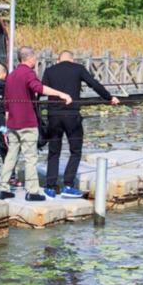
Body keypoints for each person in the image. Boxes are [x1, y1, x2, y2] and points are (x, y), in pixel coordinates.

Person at [40, 49, 119, 197]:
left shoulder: (50, 71)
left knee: (53, 151)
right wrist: (109, 97)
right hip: (72, 115)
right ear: (72, 59)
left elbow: (41, 90)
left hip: (54, 116)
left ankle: (50, 187)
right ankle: (68, 185)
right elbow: (94, 84)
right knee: (75, 151)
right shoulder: (78, 69)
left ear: (58, 59)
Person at [0, 47, 71, 202]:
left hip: (12, 123)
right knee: (31, 158)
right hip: (27, 123)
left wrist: (8, 121)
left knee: (11, 156)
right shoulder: (28, 73)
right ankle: (33, 191)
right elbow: (39, 88)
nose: (35, 60)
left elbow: (7, 102)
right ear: (29, 58)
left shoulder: (11, 75)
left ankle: (2, 189)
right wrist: (60, 93)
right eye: (34, 58)